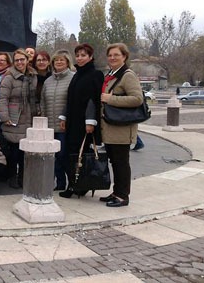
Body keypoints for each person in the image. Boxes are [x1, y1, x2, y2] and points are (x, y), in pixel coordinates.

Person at [99, 43, 143, 207]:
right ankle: (117, 192)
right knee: (115, 161)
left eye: (116, 55)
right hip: (111, 127)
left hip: (122, 128)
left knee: (121, 162)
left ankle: (123, 196)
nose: (112, 58)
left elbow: (137, 99)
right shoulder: (111, 74)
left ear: (124, 56)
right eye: (110, 55)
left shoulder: (127, 75)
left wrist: (111, 99)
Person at [59, 43, 104, 199]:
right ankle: (74, 184)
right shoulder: (76, 74)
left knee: (80, 155)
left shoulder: (95, 74)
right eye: (77, 55)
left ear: (90, 57)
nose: (80, 58)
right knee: (71, 155)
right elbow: (70, 98)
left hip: (84, 123)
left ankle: (79, 185)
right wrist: (63, 116)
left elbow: (93, 100)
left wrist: (90, 121)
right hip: (73, 121)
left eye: (83, 55)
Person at [0, 49, 37, 188]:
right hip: (14, 118)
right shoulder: (9, 77)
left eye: (22, 59)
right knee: (14, 152)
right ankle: (12, 176)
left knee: (24, 152)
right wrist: (5, 116)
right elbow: (2, 98)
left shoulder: (33, 76)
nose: (20, 62)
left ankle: (23, 176)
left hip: (29, 117)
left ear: (27, 60)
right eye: (17, 60)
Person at [40, 49, 75, 191]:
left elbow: (73, 101)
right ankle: (59, 184)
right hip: (49, 125)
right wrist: (42, 116)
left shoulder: (73, 78)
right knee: (53, 156)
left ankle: (72, 182)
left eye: (62, 60)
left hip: (64, 125)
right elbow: (43, 100)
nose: (59, 62)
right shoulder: (48, 81)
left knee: (63, 155)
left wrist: (65, 116)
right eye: (56, 60)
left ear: (67, 62)